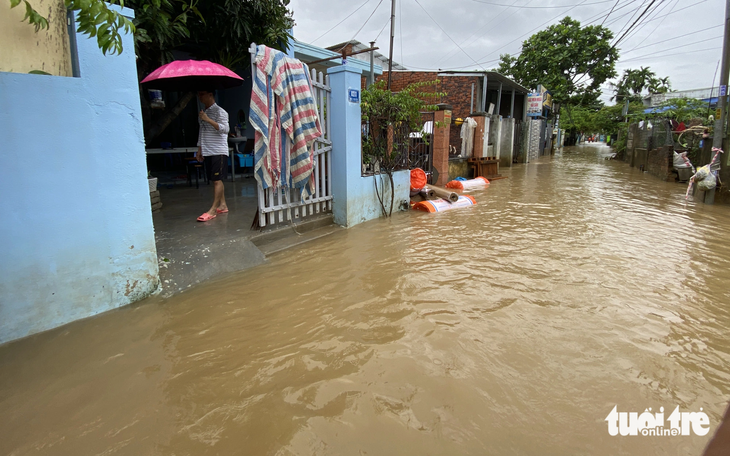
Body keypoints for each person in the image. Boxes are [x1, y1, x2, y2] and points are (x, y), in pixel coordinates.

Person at [195, 89, 230, 222]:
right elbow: (202, 132)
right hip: (208, 150)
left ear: (210, 94)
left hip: (218, 150)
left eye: (202, 93)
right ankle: (223, 205)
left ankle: (213, 209)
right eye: (199, 94)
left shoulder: (220, 112)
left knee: (217, 180)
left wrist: (208, 120)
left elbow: (225, 129)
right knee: (215, 179)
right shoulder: (204, 113)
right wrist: (200, 149)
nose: (200, 96)